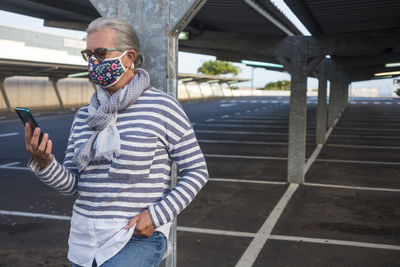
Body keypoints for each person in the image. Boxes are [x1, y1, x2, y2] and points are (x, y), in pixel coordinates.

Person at [25, 17, 208, 267]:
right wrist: (45, 162)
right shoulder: (84, 117)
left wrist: (156, 216)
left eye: (100, 53)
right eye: (87, 54)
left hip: (136, 236)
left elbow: (197, 170)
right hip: (85, 240)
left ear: (129, 57)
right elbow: (72, 185)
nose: (93, 61)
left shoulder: (162, 107)